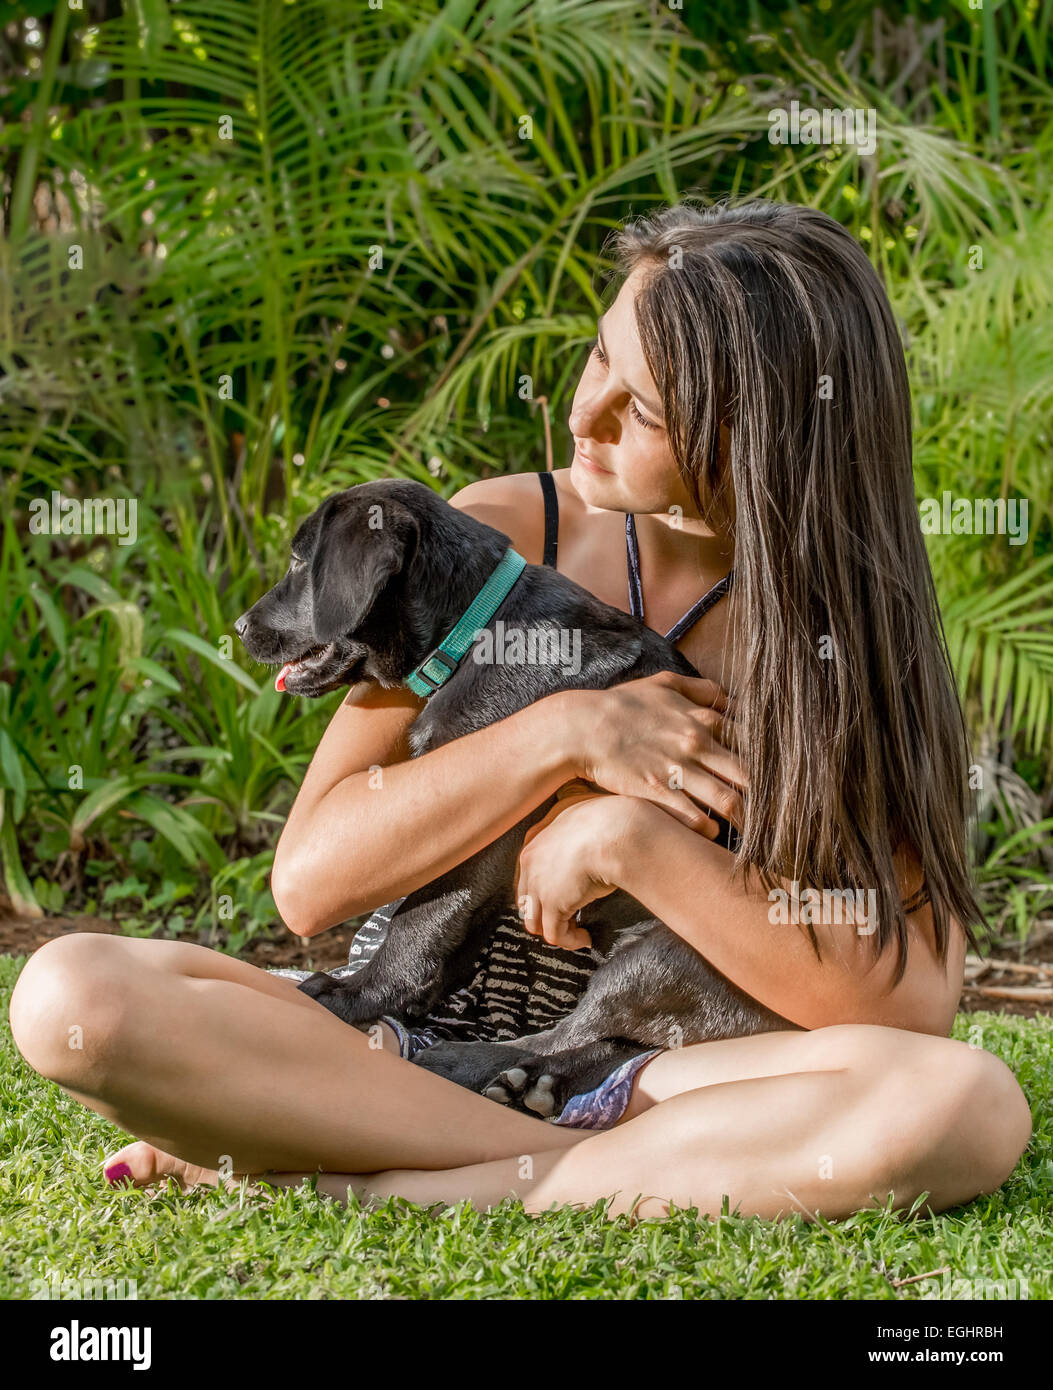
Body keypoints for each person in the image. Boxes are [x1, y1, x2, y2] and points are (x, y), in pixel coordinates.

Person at [9, 200, 1031, 1221]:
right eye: (597, 359)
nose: (584, 415)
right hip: (389, 1042)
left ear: (758, 438)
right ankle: (544, 1160)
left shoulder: (836, 637)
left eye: (644, 410)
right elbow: (310, 885)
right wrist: (564, 736)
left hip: (649, 1073)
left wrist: (628, 838)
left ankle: (416, 1179)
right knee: (73, 999)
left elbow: (906, 1004)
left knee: (968, 1104)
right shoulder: (498, 535)